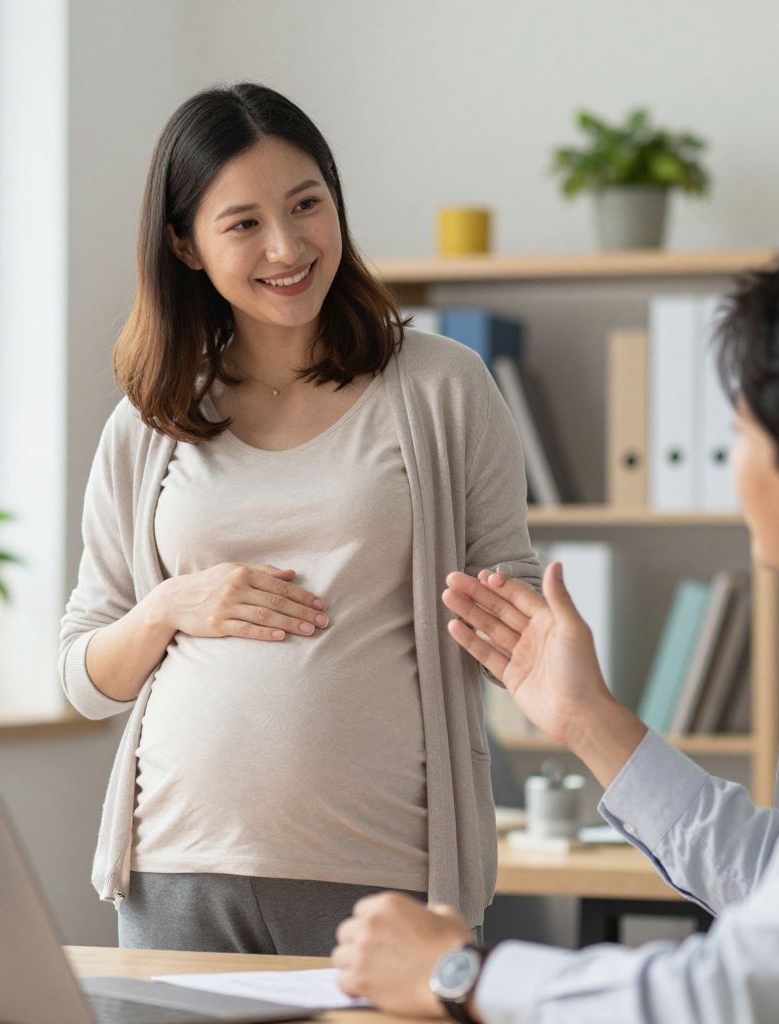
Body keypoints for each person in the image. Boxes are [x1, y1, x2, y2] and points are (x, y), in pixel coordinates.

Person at [331, 249, 779, 1022]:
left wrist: (461, 977)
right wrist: (586, 717)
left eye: (740, 434)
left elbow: (745, 991)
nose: (732, 465)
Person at [58, 83, 540, 957]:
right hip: (176, 866)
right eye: (242, 223)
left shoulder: (441, 387)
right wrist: (170, 607)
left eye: (306, 204)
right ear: (185, 244)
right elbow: (85, 676)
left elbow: (519, 609)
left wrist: (518, 624)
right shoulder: (149, 418)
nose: (287, 246)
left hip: (389, 873)